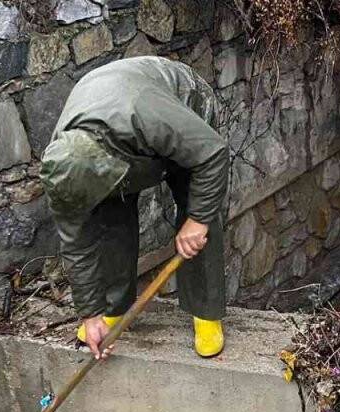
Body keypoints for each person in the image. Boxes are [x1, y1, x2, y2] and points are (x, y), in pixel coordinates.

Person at [40, 56, 230, 360]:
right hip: (122, 133)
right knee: (109, 214)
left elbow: (212, 153)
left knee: (197, 203)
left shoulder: (145, 112)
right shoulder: (62, 169)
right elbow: (77, 246)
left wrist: (198, 219)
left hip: (182, 105)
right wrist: (91, 315)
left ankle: (205, 311)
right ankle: (114, 307)